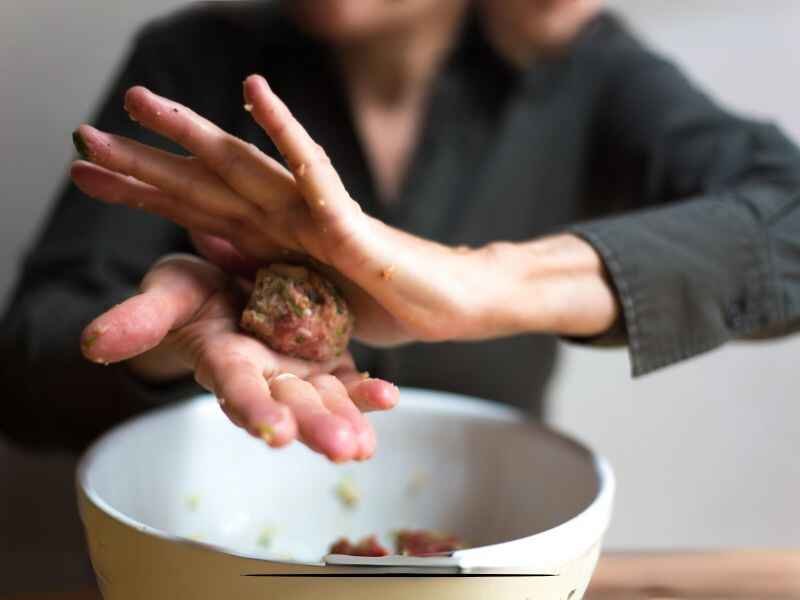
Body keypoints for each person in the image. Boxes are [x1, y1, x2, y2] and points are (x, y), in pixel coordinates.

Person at [2, 0, 799, 461]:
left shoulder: (580, 72)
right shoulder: (194, 57)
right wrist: (165, 356)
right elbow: (24, 371)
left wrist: (482, 282)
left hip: (479, 557)